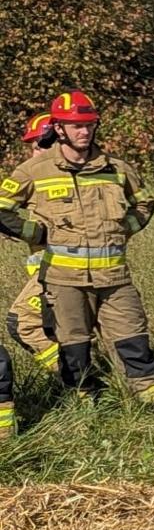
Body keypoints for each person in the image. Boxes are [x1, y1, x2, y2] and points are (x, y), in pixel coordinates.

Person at [0, 91, 154, 407]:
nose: (84, 132)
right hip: (63, 280)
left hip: (115, 278)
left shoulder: (116, 168)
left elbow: (144, 203)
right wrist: (35, 232)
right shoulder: (34, 170)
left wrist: (124, 229)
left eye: (89, 125)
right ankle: (88, 409)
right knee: (73, 349)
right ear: (58, 129)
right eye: (75, 126)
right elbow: (2, 208)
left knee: (135, 344)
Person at [9, 114, 56, 375]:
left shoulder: (53, 177)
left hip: (60, 268)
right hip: (51, 270)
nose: (33, 152)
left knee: (22, 323)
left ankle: (84, 382)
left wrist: (34, 234)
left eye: (38, 144)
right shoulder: (37, 177)